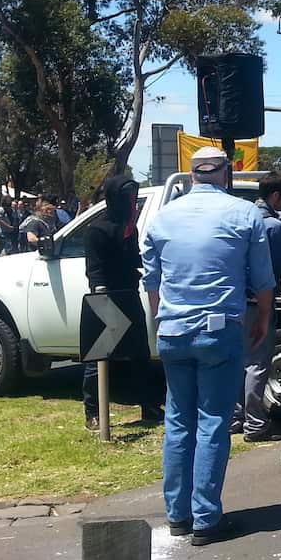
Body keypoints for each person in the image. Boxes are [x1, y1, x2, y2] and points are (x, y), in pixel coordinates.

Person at [143, 146, 275, 546]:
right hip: (218, 329)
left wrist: (158, 321)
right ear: (226, 172)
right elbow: (264, 279)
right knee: (213, 421)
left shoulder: (163, 218)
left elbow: (152, 282)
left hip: (172, 329)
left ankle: (178, 514)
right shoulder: (245, 213)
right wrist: (264, 320)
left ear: (191, 173)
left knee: (178, 421)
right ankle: (205, 517)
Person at [81, 176, 163, 431]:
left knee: (140, 353)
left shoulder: (130, 227)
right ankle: (93, 412)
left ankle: (148, 405)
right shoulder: (97, 229)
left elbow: (132, 257)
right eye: (127, 197)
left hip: (128, 293)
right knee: (98, 358)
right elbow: (94, 268)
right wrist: (100, 294)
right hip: (106, 297)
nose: (131, 203)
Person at [233, 172, 281, 442]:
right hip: (260, 301)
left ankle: (236, 417)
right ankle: (256, 423)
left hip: (235, 301)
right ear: (275, 196)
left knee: (238, 362)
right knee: (257, 364)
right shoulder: (273, 227)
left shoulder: (240, 218)